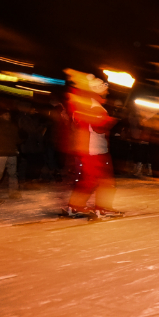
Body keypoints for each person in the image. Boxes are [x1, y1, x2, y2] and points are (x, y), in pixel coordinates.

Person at [62, 72, 121, 218]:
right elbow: (95, 126)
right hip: (94, 149)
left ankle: (74, 206)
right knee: (105, 181)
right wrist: (109, 121)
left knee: (88, 181)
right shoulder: (93, 106)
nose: (107, 91)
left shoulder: (87, 104)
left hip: (88, 148)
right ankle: (102, 207)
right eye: (104, 89)